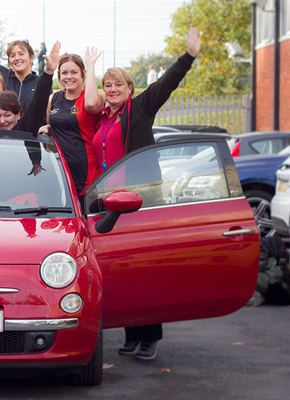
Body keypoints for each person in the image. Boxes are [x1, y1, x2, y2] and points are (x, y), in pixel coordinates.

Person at [93, 27, 202, 361]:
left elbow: (166, 82)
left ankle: (150, 335)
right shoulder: (102, 119)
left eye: (118, 84)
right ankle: (131, 332)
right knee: (121, 270)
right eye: (107, 85)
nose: (112, 89)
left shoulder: (139, 108)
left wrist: (189, 56)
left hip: (141, 200)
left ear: (130, 88)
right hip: (110, 202)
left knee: (145, 268)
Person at [43, 48, 104, 197]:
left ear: (83, 74)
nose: (68, 77)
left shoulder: (93, 97)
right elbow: (56, 126)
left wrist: (90, 66)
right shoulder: (54, 99)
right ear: (59, 76)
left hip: (87, 174)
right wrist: (48, 127)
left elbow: (91, 106)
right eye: (64, 73)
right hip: (61, 172)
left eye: (74, 72)